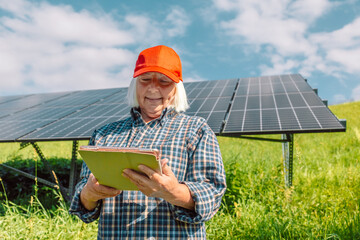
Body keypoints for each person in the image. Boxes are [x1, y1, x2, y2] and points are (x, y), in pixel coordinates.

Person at [69, 45, 226, 239]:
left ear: (176, 88)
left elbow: (213, 194)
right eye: (145, 80)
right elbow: (83, 202)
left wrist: (173, 192)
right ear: (135, 84)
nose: (153, 88)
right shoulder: (104, 135)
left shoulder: (195, 130)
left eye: (164, 81)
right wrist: (90, 193)